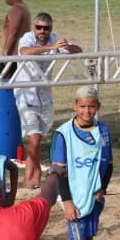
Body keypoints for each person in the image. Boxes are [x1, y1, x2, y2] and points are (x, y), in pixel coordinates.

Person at [51, 86, 113, 240]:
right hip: (74, 198)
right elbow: (59, 171)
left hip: (94, 197)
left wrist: (102, 188)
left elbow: (108, 163)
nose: (87, 111)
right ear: (75, 106)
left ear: (98, 107)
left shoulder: (103, 130)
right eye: (83, 106)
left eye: (91, 106)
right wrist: (66, 201)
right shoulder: (63, 133)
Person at [15, 12, 83, 189]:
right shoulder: (27, 38)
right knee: (35, 139)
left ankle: (27, 180)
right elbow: (25, 52)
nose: (42, 31)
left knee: (36, 139)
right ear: (34, 28)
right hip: (26, 94)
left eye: (46, 28)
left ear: (51, 28)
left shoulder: (54, 38)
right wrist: (51, 47)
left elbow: (79, 51)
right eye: (39, 27)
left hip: (45, 96)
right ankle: (36, 173)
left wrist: (67, 46)